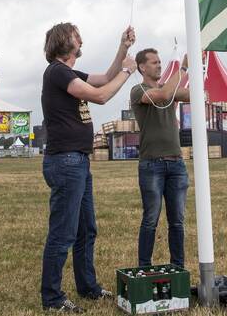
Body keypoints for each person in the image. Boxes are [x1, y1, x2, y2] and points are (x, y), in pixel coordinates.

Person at [40, 22, 138, 313]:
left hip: (78, 160)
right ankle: (52, 298)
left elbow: (105, 77)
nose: (80, 39)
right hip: (66, 161)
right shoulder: (57, 72)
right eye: (75, 35)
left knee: (86, 230)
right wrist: (128, 70)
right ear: (63, 42)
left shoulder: (68, 73)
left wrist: (123, 47)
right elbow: (101, 95)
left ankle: (88, 288)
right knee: (64, 232)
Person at [130, 49, 190, 269]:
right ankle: (144, 268)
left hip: (177, 163)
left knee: (177, 221)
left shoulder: (169, 89)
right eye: (154, 62)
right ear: (142, 67)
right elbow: (164, 96)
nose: (159, 65)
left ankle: (178, 268)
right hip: (152, 164)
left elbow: (191, 94)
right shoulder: (138, 90)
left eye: (160, 61)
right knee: (150, 219)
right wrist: (183, 68)